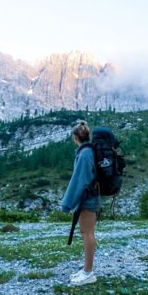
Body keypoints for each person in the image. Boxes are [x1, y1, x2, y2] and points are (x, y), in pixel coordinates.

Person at [61, 121, 100, 286]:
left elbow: (78, 180)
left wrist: (67, 203)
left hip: (88, 199)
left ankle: (88, 272)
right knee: (86, 232)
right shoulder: (88, 151)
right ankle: (86, 269)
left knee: (87, 233)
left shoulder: (84, 154)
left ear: (76, 138)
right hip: (90, 198)